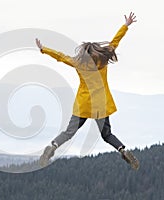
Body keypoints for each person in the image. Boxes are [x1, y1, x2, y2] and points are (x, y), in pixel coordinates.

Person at [36, 12, 139, 170]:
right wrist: (125, 25)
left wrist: (44, 49)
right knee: (107, 135)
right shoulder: (103, 61)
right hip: (100, 105)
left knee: (69, 132)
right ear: (97, 51)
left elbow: (61, 57)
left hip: (83, 105)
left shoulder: (79, 64)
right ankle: (123, 150)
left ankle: (53, 146)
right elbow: (115, 42)